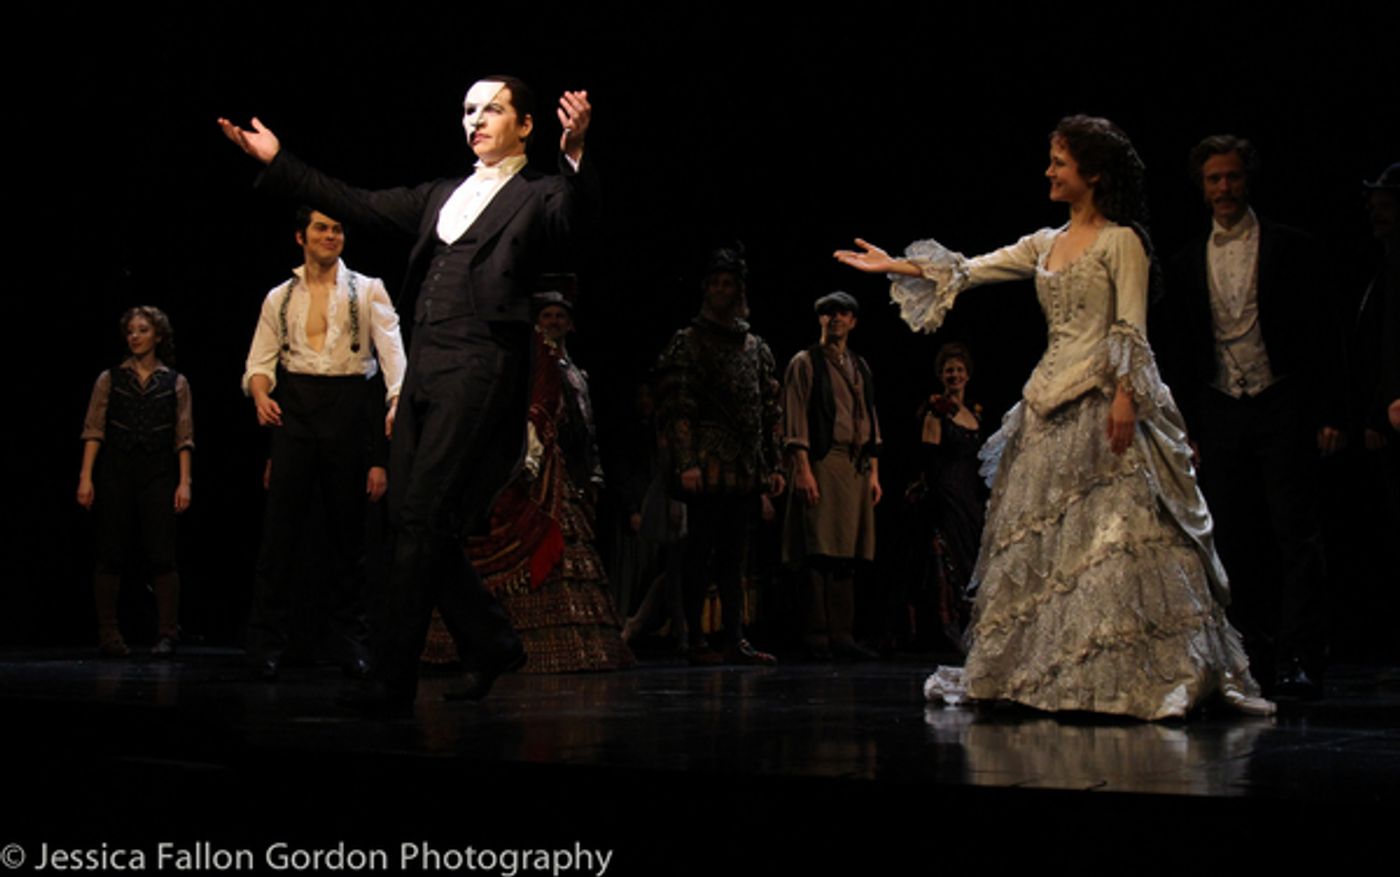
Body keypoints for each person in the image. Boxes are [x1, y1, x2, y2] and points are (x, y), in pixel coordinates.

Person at [836, 115, 1272, 720]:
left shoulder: (1122, 242)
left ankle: (1129, 675)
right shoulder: (1045, 243)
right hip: (1047, 404)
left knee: (1116, 542)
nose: (1048, 171)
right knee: (1050, 549)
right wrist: (895, 266)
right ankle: (1052, 672)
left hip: (1103, 401)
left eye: (1059, 163)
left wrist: (1126, 397)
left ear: (1093, 174)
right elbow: (971, 269)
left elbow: (1131, 326)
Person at [219, 75, 598, 712]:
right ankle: (491, 640)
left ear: (526, 125)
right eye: (469, 110)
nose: (476, 120)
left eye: (493, 109)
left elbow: (576, 222)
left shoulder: (541, 192)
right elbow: (356, 202)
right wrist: (279, 162)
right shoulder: (442, 194)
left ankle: (392, 680)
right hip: (427, 361)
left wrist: (577, 153)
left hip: (481, 360)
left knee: (422, 516)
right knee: (410, 522)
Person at [1156, 135, 1339, 699]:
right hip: (1220, 407)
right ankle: (1248, 655)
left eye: (1232, 176)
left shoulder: (1291, 247)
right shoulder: (1186, 261)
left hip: (1281, 400)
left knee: (1295, 533)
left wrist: (1329, 412)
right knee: (1233, 535)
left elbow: (1320, 334)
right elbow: (1181, 351)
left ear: (1247, 179)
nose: (1224, 188)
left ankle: (1300, 656)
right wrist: (1185, 426)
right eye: (1214, 179)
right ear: (1201, 186)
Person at [423, 289, 632, 672]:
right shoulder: (523, 354)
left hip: (553, 460)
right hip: (515, 457)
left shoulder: (569, 369)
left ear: (570, 324)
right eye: (546, 316)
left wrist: (591, 470)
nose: (553, 322)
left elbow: (581, 422)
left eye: (559, 316)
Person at [242, 207, 407, 681]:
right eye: (321, 228)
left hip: (348, 405)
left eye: (337, 229)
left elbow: (392, 353)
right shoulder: (280, 297)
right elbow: (259, 362)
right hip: (296, 408)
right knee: (280, 533)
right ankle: (267, 643)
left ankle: (352, 641)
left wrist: (396, 400)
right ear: (301, 236)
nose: (331, 235)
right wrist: (260, 394)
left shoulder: (368, 289)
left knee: (349, 534)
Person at [654, 247, 786, 666]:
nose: (720, 290)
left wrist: (773, 465)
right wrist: (687, 461)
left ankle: (734, 637)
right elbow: (678, 405)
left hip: (744, 467)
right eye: (714, 283)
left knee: (736, 557)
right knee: (700, 553)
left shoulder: (755, 347)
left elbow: (769, 411)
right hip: (707, 463)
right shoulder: (689, 343)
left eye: (728, 283)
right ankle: (694, 639)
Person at [77, 307, 193, 658]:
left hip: (158, 473)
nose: (134, 336)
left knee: (161, 553)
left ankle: (168, 633)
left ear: (158, 335)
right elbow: (94, 429)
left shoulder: (175, 382)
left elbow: (183, 436)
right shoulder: (110, 379)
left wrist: (185, 481)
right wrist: (85, 477)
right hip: (117, 471)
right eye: (130, 331)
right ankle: (108, 633)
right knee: (110, 551)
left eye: (142, 330)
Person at [781, 291, 881, 660]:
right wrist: (802, 468)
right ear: (820, 320)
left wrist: (874, 473)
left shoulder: (859, 365)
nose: (835, 319)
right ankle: (816, 634)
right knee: (818, 549)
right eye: (828, 313)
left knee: (847, 553)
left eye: (842, 313)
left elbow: (870, 418)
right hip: (822, 460)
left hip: (854, 466)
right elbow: (794, 417)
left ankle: (842, 634)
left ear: (853, 321)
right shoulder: (805, 362)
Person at [908, 342, 986, 651]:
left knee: (973, 555)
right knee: (949, 556)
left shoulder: (974, 411)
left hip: (971, 494)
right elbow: (928, 456)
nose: (954, 375)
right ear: (941, 375)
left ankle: (974, 625)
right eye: (948, 370)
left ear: (968, 375)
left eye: (959, 370)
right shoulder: (936, 410)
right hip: (947, 491)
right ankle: (948, 627)